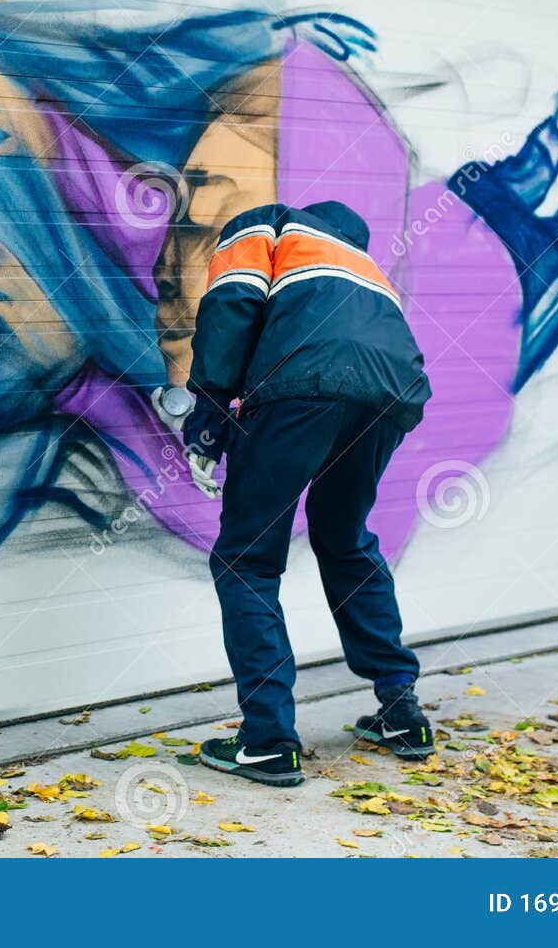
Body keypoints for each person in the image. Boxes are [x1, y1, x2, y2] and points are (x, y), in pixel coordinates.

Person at [181, 200, 435, 787]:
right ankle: (402, 710)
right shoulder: (364, 266)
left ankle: (267, 740)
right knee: (344, 538)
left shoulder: (270, 224)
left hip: (304, 386)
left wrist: (211, 405)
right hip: (392, 396)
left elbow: (232, 303)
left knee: (246, 559)